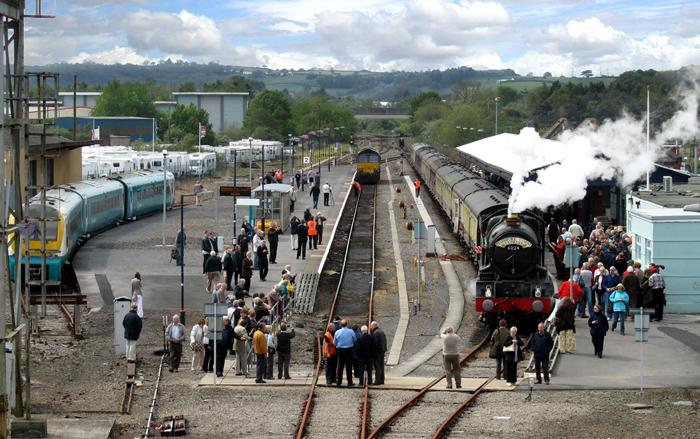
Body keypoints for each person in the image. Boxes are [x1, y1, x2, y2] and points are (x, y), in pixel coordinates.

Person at [333, 319, 357, 387]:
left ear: (340, 325)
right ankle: (349, 381)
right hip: (348, 350)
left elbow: (334, 342)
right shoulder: (351, 331)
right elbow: (354, 340)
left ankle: (339, 381)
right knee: (349, 366)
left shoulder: (337, 332)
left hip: (340, 350)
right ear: (347, 324)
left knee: (340, 366)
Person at [370, 321, 387, 385]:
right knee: (381, 365)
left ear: (374, 326)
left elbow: (375, 343)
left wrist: (373, 351)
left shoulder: (375, 333)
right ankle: (382, 379)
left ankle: (377, 380)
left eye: (371, 326)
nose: (371, 327)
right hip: (383, 350)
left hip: (378, 351)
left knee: (377, 366)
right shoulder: (381, 331)